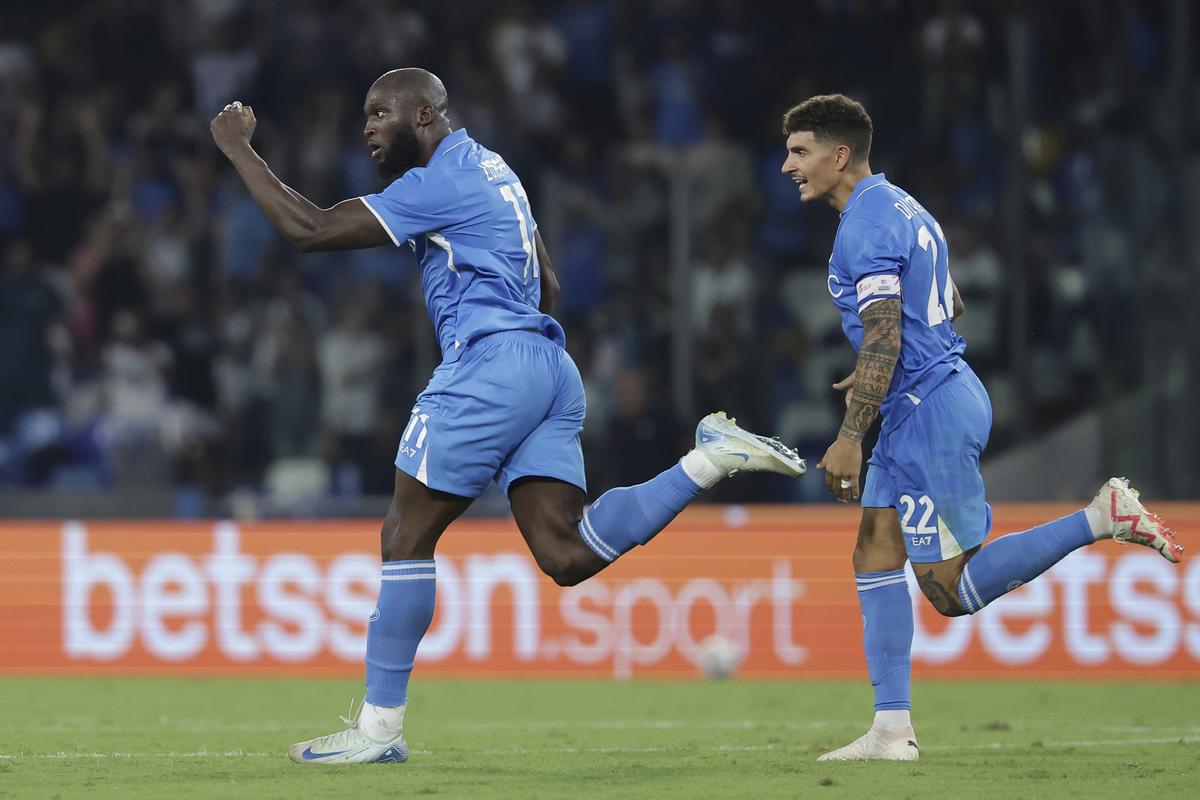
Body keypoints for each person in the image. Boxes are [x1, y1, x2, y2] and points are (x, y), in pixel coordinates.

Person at [210, 67, 807, 766]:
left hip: (492, 364)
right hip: (551, 368)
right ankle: (707, 458)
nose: (366, 127)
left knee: (404, 533)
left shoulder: (438, 180)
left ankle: (378, 732)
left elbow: (308, 228)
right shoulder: (496, 171)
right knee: (566, 553)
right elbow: (547, 284)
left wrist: (237, 148)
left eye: (380, 113)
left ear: (425, 116)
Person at [778, 94, 1183, 762]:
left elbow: (883, 328)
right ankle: (889, 729)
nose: (789, 166)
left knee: (951, 590)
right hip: (923, 397)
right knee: (876, 549)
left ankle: (1101, 516)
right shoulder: (903, 207)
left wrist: (852, 431)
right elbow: (946, 298)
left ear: (839, 154)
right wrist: (889, 363)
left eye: (799, 151)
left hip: (926, 410)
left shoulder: (865, 225)